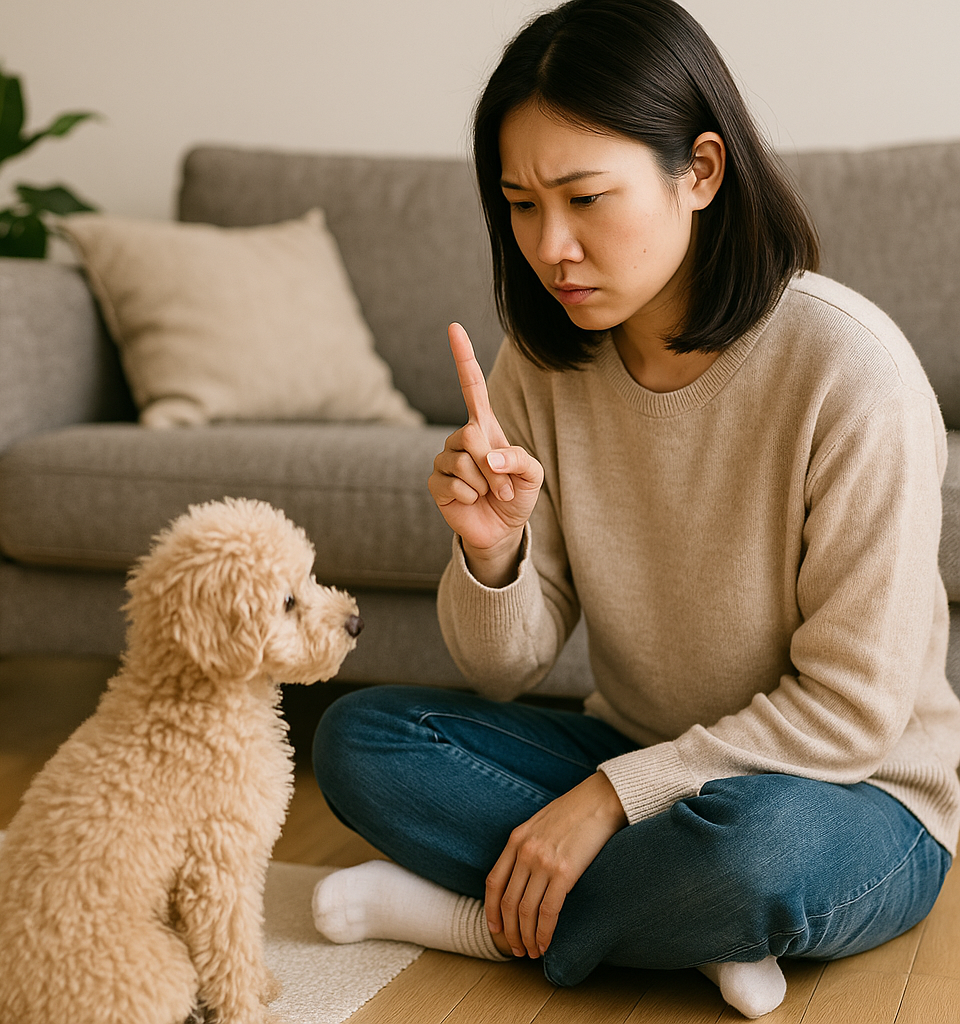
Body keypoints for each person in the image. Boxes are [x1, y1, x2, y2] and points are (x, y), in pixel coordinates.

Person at [309, 0, 960, 1017]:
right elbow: (503, 667)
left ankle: (483, 921)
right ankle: (675, 924)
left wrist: (611, 800)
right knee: (359, 739)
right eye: (521, 204)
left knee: (755, 853)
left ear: (699, 171)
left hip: (851, 792)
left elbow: (851, 713)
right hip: (638, 748)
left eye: (583, 197)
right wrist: (493, 553)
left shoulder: (849, 371)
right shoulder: (541, 363)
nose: (550, 245)